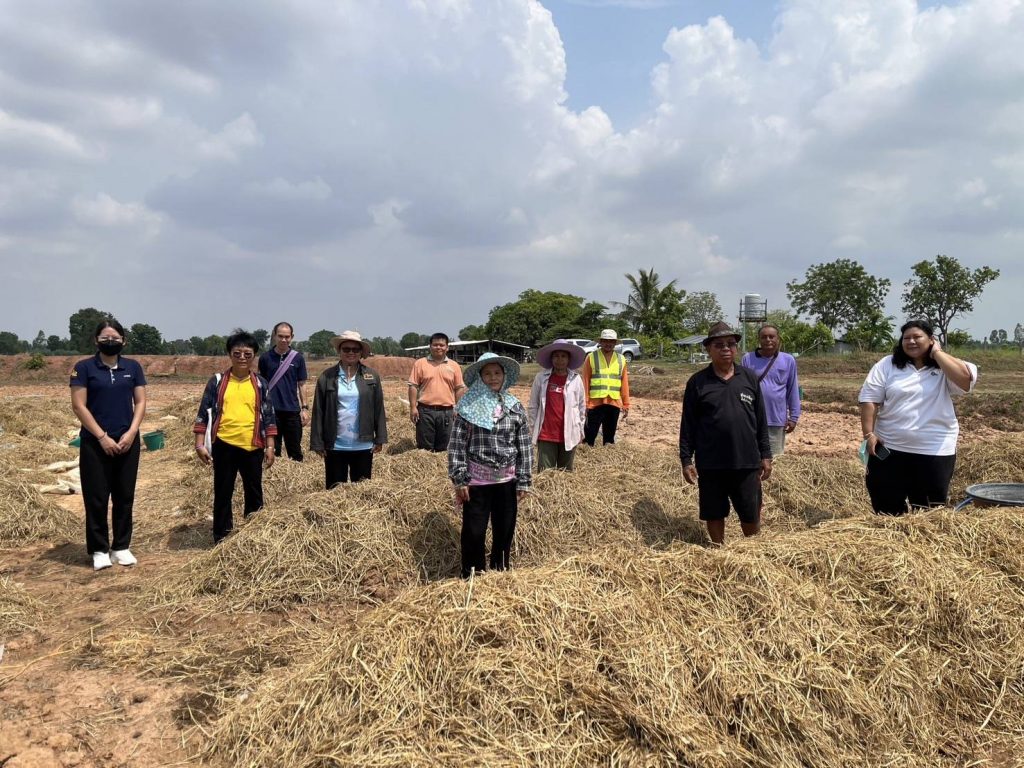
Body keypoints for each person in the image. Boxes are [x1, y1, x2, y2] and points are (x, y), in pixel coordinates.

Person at [858, 319, 977, 515]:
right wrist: (868, 434)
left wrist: (937, 353)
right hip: (889, 449)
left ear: (931, 340)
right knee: (885, 506)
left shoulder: (944, 366)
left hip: (934, 451)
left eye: (917, 337)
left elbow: (965, 381)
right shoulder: (887, 364)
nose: (911, 341)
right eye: (906, 338)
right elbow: (869, 399)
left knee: (929, 511)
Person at [679, 322, 772, 545]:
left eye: (730, 344)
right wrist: (686, 459)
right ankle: (718, 550)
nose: (726, 349)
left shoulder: (749, 378)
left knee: (750, 513)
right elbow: (688, 424)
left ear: (736, 348)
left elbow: (761, 421)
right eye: (719, 345)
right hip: (711, 462)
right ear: (708, 349)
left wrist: (766, 455)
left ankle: (751, 550)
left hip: (746, 461)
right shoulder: (698, 382)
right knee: (714, 512)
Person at [70, 319, 147, 570]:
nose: (110, 342)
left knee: (124, 495)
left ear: (123, 341)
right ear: (96, 340)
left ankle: (121, 547)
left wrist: (132, 433)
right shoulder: (83, 368)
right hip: (95, 443)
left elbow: (140, 402)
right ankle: (99, 549)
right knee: (96, 497)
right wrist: (102, 437)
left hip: (127, 442)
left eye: (115, 338)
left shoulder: (133, 367)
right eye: (105, 338)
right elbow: (79, 406)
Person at [448, 352, 532, 578]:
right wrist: (459, 478)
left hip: (507, 481)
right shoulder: (467, 406)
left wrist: (524, 480)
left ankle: (500, 571)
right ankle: (472, 574)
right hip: (477, 482)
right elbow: (456, 445)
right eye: (487, 374)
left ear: (505, 376)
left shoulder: (514, 407)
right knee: (474, 531)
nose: (493, 377)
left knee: (504, 530)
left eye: (497, 373)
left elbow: (524, 445)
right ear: (480, 377)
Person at [193, 331, 277, 543]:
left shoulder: (260, 383)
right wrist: (199, 444)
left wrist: (270, 447)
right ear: (229, 354)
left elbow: (269, 416)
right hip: (224, 445)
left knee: (254, 492)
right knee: (223, 492)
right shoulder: (217, 382)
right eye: (237, 353)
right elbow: (203, 413)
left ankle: (253, 535)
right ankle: (222, 537)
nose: (242, 358)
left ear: (254, 356)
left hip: (252, 445)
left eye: (247, 354)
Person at [309, 331, 388, 487]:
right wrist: (317, 442)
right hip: (335, 445)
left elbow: (379, 409)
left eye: (355, 349)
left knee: (362, 491)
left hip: (363, 445)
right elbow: (318, 411)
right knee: (335, 490)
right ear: (339, 351)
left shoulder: (371, 376)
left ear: (361, 352)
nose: (351, 352)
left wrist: (380, 438)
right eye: (346, 349)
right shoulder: (327, 377)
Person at [740, 324, 801, 456]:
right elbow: (741, 389)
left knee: (774, 458)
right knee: (751, 457)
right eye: (764, 337)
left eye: (771, 337)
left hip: (776, 419)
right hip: (752, 420)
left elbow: (792, 389)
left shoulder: (788, 360)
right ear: (759, 339)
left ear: (778, 339)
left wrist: (794, 417)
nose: (768, 340)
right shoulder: (747, 359)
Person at [528, 339, 586, 471]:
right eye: (556, 356)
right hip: (546, 434)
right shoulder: (541, 377)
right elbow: (533, 405)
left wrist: (580, 430)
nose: (559, 360)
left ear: (569, 359)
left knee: (565, 473)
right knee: (545, 474)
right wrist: (533, 428)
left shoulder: (576, 379)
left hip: (569, 433)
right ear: (551, 358)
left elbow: (581, 407)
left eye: (563, 356)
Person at [258, 321, 309, 462]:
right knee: (273, 450)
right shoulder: (265, 358)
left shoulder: (298, 358)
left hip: (292, 411)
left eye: (287, 337)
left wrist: (305, 408)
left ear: (292, 337)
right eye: (280, 336)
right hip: (271, 412)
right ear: (274, 336)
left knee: (295, 451)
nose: (284, 340)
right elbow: (261, 385)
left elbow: (302, 384)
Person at [408, 332, 467, 451]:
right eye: (435, 345)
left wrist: (458, 408)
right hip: (425, 411)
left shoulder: (454, 366)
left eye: (441, 345)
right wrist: (413, 407)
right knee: (424, 448)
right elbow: (413, 386)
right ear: (430, 346)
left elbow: (459, 388)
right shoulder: (420, 363)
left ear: (447, 347)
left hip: (447, 412)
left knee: (445, 447)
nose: (438, 347)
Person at [581, 329, 630, 446]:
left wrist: (626, 403)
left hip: (613, 403)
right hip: (594, 403)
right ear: (601, 342)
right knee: (589, 435)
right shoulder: (591, 357)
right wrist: (584, 403)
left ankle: (607, 452)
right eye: (605, 341)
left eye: (611, 341)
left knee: (609, 437)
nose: (608, 344)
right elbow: (585, 381)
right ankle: (588, 451)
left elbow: (624, 383)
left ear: (615, 343)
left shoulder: (621, 359)